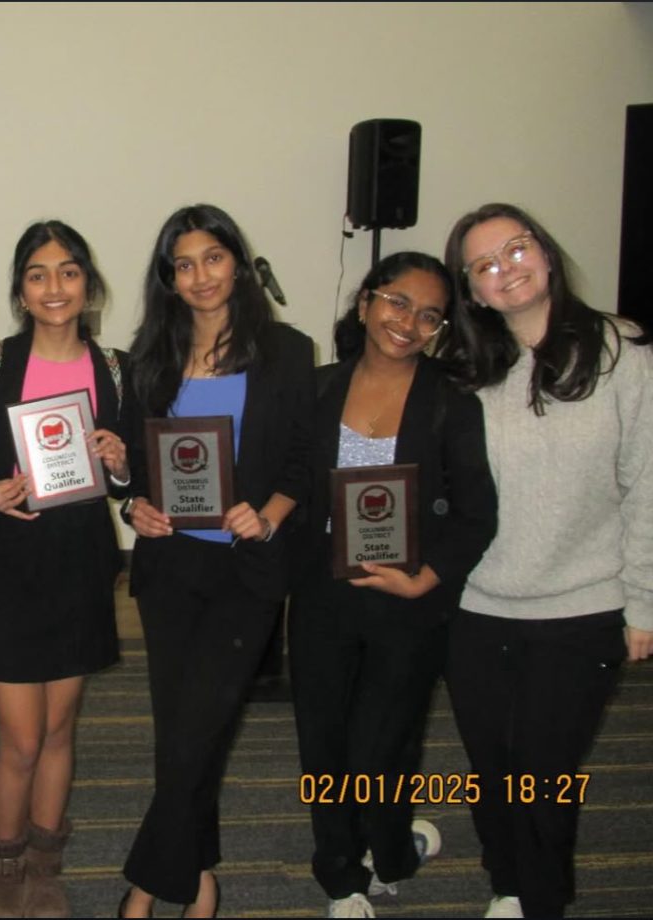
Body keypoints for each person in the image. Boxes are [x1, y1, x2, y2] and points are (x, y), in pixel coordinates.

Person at [438, 203, 653, 919]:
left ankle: (542, 899)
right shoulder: (465, 369)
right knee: (493, 769)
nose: (507, 269)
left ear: (547, 253)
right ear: (471, 290)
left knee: (545, 773)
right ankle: (507, 881)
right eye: (485, 264)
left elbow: (648, 484)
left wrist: (644, 603)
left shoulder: (623, 352)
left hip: (581, 608)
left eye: (517, 248)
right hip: (475, 608)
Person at [119, 204, 315, 918]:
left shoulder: (287, 351)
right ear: (168, 278)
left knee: (201, 728)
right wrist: (133, 505)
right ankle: (199, 880)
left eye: (212, 258)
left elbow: (303, 458)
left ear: (236, 262)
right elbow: (137, 467)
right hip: (170, 570)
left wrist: (268, 514)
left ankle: (146, 883)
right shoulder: (148, 359)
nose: (199, 276)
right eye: (183, 264)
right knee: (181, 734)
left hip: (246, 570)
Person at [288, 252, 497, 918]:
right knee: (323, 737)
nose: (409, 322)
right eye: (398, 302)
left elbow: (476, 513)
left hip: (408, 599)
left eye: (429, 315)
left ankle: (390, 844)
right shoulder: (319, 388)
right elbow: (287, 482)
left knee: (385, 741)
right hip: (323, 592)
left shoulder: (450, 403)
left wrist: (427, 580)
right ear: (366, 303)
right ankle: (340, 871)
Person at [0, 220, 132, 919]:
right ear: (20, 290)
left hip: (80, 562)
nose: (54, 287)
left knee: (61, 730)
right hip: (5, 566)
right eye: (37, 273)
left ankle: (46, 863)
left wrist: (121, 464)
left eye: (68, 271)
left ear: (88, 284)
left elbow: (129, 478)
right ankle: (1, 867)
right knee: (21, 737)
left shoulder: (117, 369)